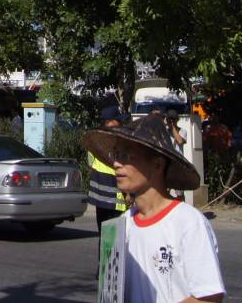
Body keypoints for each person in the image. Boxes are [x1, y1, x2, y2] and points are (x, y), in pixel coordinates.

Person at [83, 111, 224, 303]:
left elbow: (209, 297)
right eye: (116, 154)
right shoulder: (122, 225)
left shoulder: (188, 223)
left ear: (157, 165)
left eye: (125, 155)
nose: (116, 163)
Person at [88, 106, 129, 230]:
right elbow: (123, 166)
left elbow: (90, 164)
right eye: (118, 120)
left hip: (99, 195)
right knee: (118, 237)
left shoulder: (95, 139)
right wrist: (128, 193)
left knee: (105, 236)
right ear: (109, 122)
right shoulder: (116, 140)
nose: (121, 123)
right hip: (113, 192)